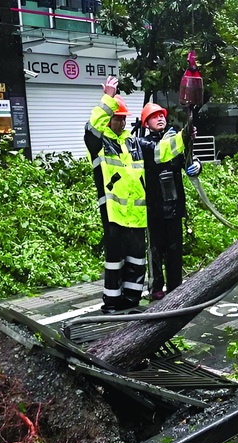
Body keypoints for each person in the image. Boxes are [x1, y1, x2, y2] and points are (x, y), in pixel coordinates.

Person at [84, 77, 192, 313]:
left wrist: (183, 138)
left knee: (136, 262)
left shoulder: (134, 143)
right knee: (115, 263)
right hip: (113, 214)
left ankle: (132, 303)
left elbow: (160, 151)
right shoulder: (99, 143)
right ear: (109, 118)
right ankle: (112, 304)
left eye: (123, 118)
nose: (121, 122)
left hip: (136, 215)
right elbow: (92, 126)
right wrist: (108, 99)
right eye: (117, 118)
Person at [140, 102, 202, 300]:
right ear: (146, 123)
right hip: (154, 207)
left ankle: (175, 287)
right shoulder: (144, 145)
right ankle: (156, 287)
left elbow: (189, 160)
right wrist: (183, 137)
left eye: (162, 115)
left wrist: (197, 166)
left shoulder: (175, 141)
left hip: (174, 206)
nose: (160, 118)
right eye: (154, 116)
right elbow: (160, 151)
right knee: (156, 249)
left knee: (175, 249)